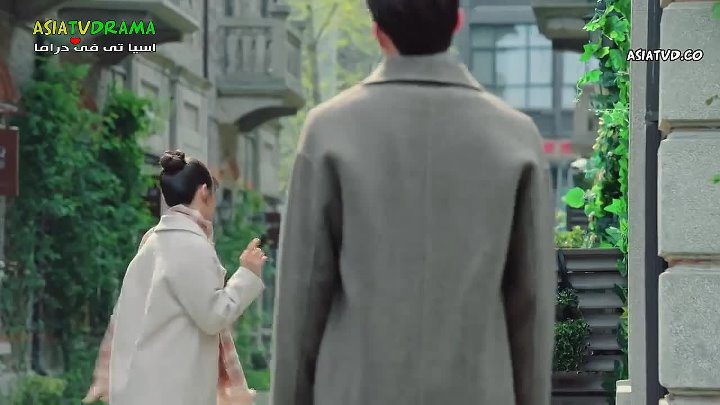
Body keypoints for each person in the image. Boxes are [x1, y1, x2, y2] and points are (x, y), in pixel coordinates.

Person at [270, 0, 556, 404]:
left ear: (378, 32)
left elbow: (301, 303)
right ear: (458, 21)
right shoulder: (516, 138)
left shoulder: (329, 132)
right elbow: (532, 306)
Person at [83, 150, 267, 405]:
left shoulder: (154, 241)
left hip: (143, 387)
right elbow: (213, 316)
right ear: (204, 192)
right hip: (173, 391)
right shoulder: (190, 245)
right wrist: (247, 274)